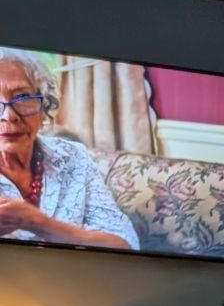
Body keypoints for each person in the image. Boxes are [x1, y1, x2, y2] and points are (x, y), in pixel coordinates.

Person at [0, 48, 138, 250]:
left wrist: (39, 223)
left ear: (44, 105)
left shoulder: (74, 157)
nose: (9, 116)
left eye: (22, 97)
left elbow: (125, 244)